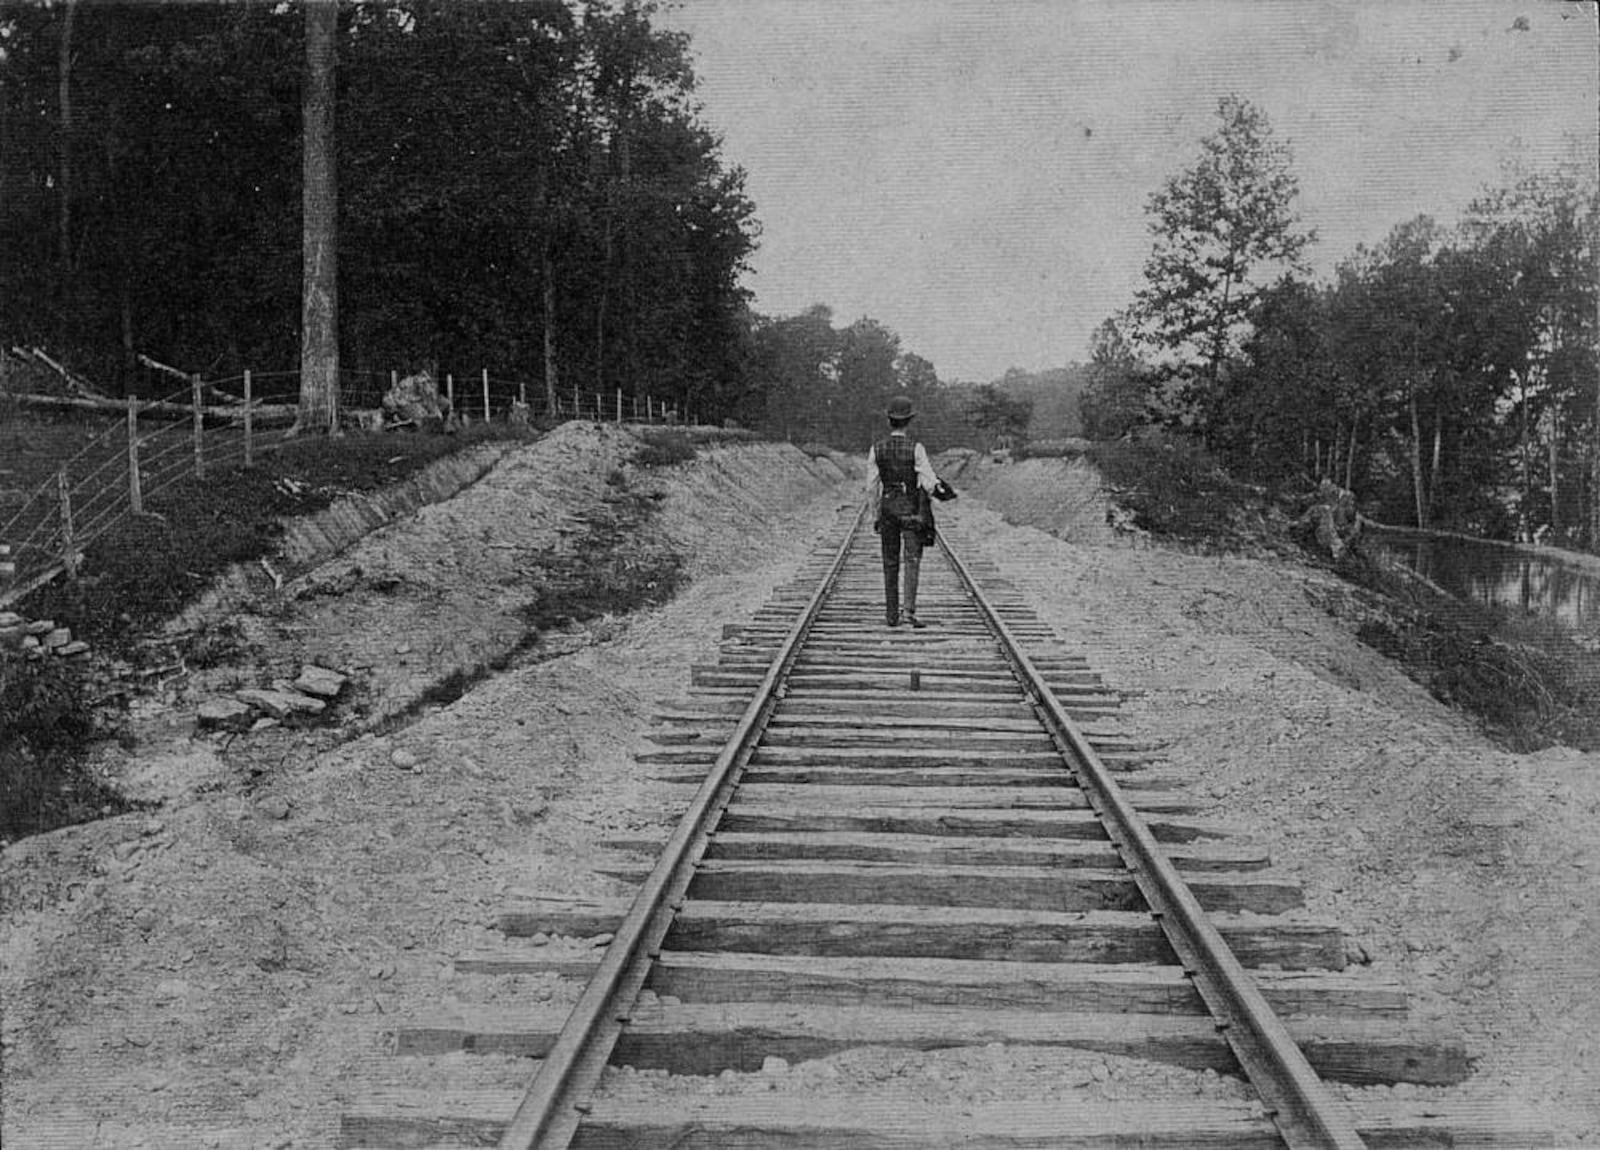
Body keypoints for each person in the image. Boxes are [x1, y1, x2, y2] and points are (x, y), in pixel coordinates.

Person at [866, 394, 955, 628]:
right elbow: (927, 481)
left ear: (889, 421)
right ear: (909, 421)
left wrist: (875, 515)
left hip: (887, 509)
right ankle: (909, 612)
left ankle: (891, 615)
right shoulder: (917, 449)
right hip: (911, 510)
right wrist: (940, 490)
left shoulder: (876, 449)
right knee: (912, 560)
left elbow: (871, 487)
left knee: (890, 561)